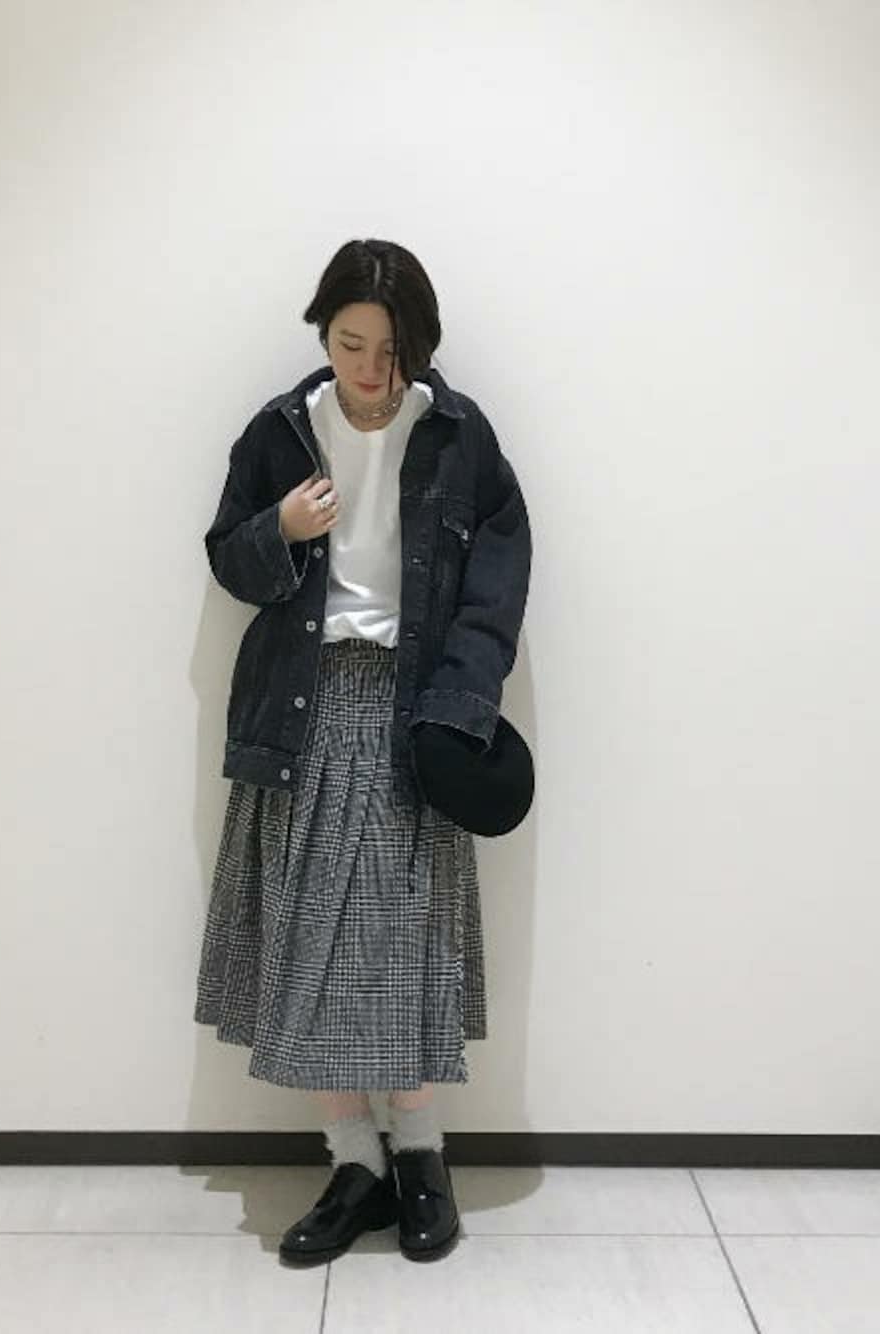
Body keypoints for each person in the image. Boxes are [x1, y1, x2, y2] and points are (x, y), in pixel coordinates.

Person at [194, 238, 532, 1266]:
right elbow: (230, 559)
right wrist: (281, 527)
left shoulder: (458, 434)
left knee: (406, 941)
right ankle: (355, 1164)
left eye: (392, 349)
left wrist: (461, 701)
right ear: (323, 332)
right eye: (350, 344)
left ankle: (421, 1157)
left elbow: (499, 574)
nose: (372, 370)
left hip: (415, 709)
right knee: (312, 942)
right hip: (303, 711)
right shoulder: (282, 429)